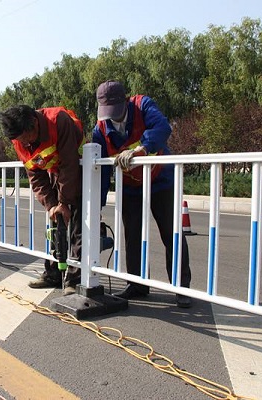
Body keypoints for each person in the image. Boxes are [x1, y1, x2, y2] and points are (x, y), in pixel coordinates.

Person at [91, 80, 192, 308]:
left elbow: (163, 128)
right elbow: (103, 172)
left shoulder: (143, 105)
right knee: (133, 236)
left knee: (172, 233)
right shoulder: (101, 129)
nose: (113, 117)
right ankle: (137, 284)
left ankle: (180, 287)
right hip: (130, 187)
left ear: (125, 101)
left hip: (160, 180)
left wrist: (141, 149)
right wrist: (97, 206)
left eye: (116, 111)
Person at [0, 105, 85, 295]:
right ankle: (54, 273)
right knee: (56, 226)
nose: (24, 143)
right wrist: (52, 205)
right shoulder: (19, 140)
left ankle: (74, 279)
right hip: (57, 176)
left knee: (78, 231)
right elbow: (35, 175)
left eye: (26, 137)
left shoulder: (58, 121)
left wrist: (64, 203)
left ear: (34, 123)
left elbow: (69, 164)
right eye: (19, 140)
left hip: (83, 172)